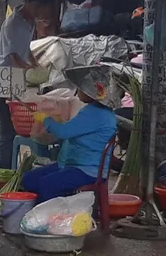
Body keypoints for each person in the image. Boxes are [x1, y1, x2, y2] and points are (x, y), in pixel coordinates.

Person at [21, 65, 119, 203]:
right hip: (74, 164)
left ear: (92, 92)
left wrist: (46, 120)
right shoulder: (94, 110)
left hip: (87, 170)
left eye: (81, 88)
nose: (78, 91)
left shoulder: (96, 114)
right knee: (29, 179)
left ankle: (49, 214)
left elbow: (64, 132)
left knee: (46, 184)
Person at [0, 0, 56, 169]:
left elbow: (24, 49)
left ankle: (17, 169)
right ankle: (3, 172)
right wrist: (30, 70)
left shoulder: (29, 21)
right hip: (5, 76)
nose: (41, 12)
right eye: (39, 7)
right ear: (29, 2)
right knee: (7, 133)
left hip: (18, 75)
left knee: (19, 128)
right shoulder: (14, 24)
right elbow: (13, 56)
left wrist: (35, 63)